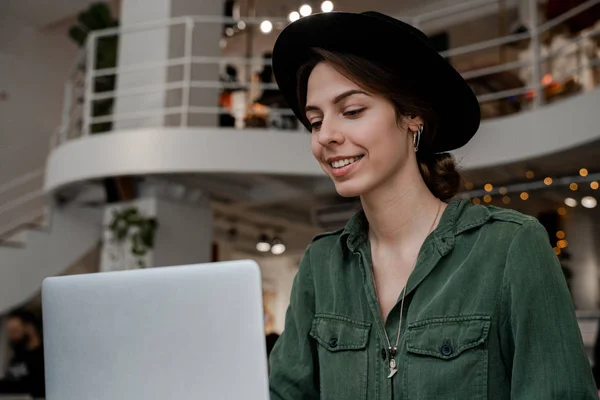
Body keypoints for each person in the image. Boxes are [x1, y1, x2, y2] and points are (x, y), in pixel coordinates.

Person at [268, 11, 598, 399]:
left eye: (352, 111)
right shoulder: (321, 264)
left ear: (412, 116)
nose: (326, 136)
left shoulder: (510, 248)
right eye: (316, 121)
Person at [0, 309, 45, 398]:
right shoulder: (18, 354)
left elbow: (32, 386)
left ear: (29, 327)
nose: (11, 336)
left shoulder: (43, 357)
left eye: (15, 331)